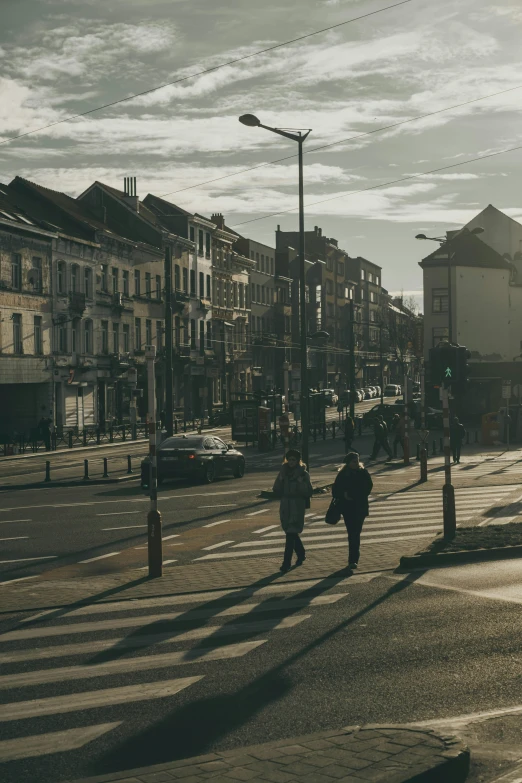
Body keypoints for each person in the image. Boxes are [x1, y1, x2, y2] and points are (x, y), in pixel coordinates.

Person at [272, 449, 313, 573]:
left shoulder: (303, 474)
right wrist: (280, 479)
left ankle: (286, 563)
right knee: (291, 533)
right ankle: (301, 553)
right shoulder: (283, 472)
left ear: (298, 461)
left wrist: (301, 483)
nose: (291, 462)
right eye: (289, 460)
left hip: (297, 506)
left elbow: (308, 492)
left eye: (293, 460)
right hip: (285, 506)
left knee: (290, 534)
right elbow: (276, 489)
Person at [332, 452, 373, 570]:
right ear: (348, 463)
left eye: (357, 461)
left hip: (360, 507)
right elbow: (335, 490)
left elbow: (368, 487)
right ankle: (353, 559)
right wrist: (344, 494)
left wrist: (356, 494)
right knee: (352, 533)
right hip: (347, 508)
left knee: (356, 533)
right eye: (353, 462)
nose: (356, 463)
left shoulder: (363, 472)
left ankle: (353, 560)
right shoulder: (343, 474)